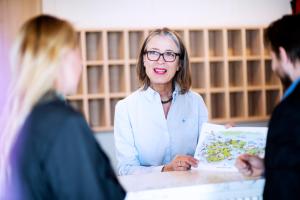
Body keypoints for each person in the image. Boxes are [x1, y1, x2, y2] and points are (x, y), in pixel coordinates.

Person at [0, 15, 125, 199]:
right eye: (77, 51)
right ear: (61, 57)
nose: (81, 64)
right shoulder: (64, 124)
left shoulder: (22, 118)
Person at [114, 28, 208, 175]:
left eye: (169, 54)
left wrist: (222, 140)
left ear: (179, 64)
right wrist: (166, 169)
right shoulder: (125, 108)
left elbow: (205, 158)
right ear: (144, 59)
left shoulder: (196, 102)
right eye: (153, 53)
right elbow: (126, 169)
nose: (160, 60)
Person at [235, 14, 300, 199]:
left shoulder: (288, 111)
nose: (273, 66)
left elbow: (284, 189)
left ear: (283, 55)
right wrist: (269, 166)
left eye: (272, 58)